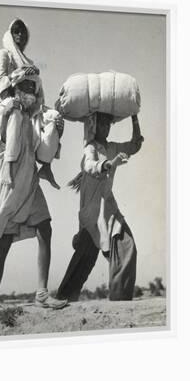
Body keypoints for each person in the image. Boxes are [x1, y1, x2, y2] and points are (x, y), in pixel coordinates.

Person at [0, 18, 67, 310]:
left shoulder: (32, 114)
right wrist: (15, 95)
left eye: (24, 31)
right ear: (10, 33)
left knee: (45, 226)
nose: (20, 35)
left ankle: (42, 293)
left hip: (29, 174)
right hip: (9, 172)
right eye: (15, 30)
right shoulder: (4, 58)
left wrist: (51, 122)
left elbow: (44, 137)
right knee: (4, 234)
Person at [56, 113, 143, 301]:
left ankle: (120, 298)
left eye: (108, 124)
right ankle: (64, 298)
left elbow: (135, 145)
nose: (106, 127)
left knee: (127, 245)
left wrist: (134, 119)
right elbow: (90, 165)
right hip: (92, 213)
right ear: (94, 127)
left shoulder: (112, 147)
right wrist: (111, 163)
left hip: (109, 209)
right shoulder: (90, 147)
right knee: (85, 259)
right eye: (102, 124)